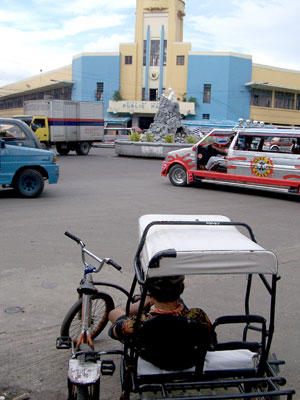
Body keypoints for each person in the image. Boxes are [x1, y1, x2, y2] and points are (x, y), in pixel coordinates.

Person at [108, 275, 212, 346]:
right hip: (189, 360)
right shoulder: (198, 316)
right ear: (182, 289)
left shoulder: (137, 323)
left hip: (152, 358)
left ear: (150, 292)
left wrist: (144, 303)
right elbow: (210, 340)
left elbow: (113, 323)